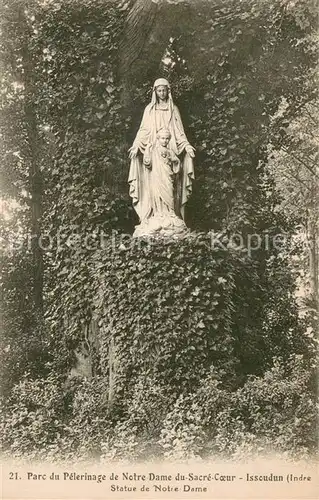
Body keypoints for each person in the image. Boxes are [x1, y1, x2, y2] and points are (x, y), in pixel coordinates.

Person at [128, 78, 195, 236]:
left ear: (168, 91)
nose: (162, 93)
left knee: (170, 185)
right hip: (153, 152)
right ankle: (155, 216)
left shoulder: (173, 109)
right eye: (159, 90)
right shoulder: (149, 110)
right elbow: (144, 130)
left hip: (170, 150)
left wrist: (186, 146)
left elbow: (179, 132)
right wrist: (137, 145)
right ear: (155, 92)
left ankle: (171, 214)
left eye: (164, 90)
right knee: (154, 186)